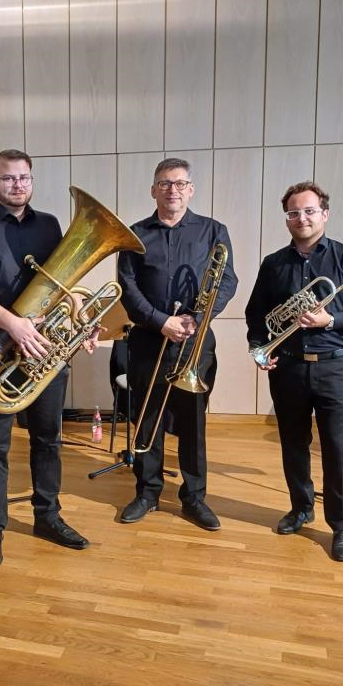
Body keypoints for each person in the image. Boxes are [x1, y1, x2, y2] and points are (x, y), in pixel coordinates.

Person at [0, 148, 90, 572]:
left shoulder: (49, 224)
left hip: (44, 349)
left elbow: (63, 283)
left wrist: (81, 320)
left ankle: (47, 516)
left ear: (32, 180)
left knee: (48, 439)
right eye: (9, 178)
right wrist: (14, 324)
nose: (18, 185)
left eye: (24, 178)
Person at [245, 181, 343, 562]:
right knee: (293, 443)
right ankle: (301, 508)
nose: (301, 218)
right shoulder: (274, 264)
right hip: (287, 366)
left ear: (324, 214)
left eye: (309, 211)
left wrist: (332, 319)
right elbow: (256, 313)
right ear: (287, 218)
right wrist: (258, 347)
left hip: (335, 365)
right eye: (294, 212)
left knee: (338, 449)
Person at [117, 157, 238, 530]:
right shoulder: (135, 234)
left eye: (180, 183)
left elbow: (227, 281)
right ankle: (147, 492)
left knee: (193, 421)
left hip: (194, 340)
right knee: (146, 418)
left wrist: (197, 318)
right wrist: (161, 321)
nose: (173, 190)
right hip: (149, 338)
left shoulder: (213, 230)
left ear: (191, 189)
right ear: (153, 190)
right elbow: (127, 286)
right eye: (165, 183)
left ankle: (194, 497)